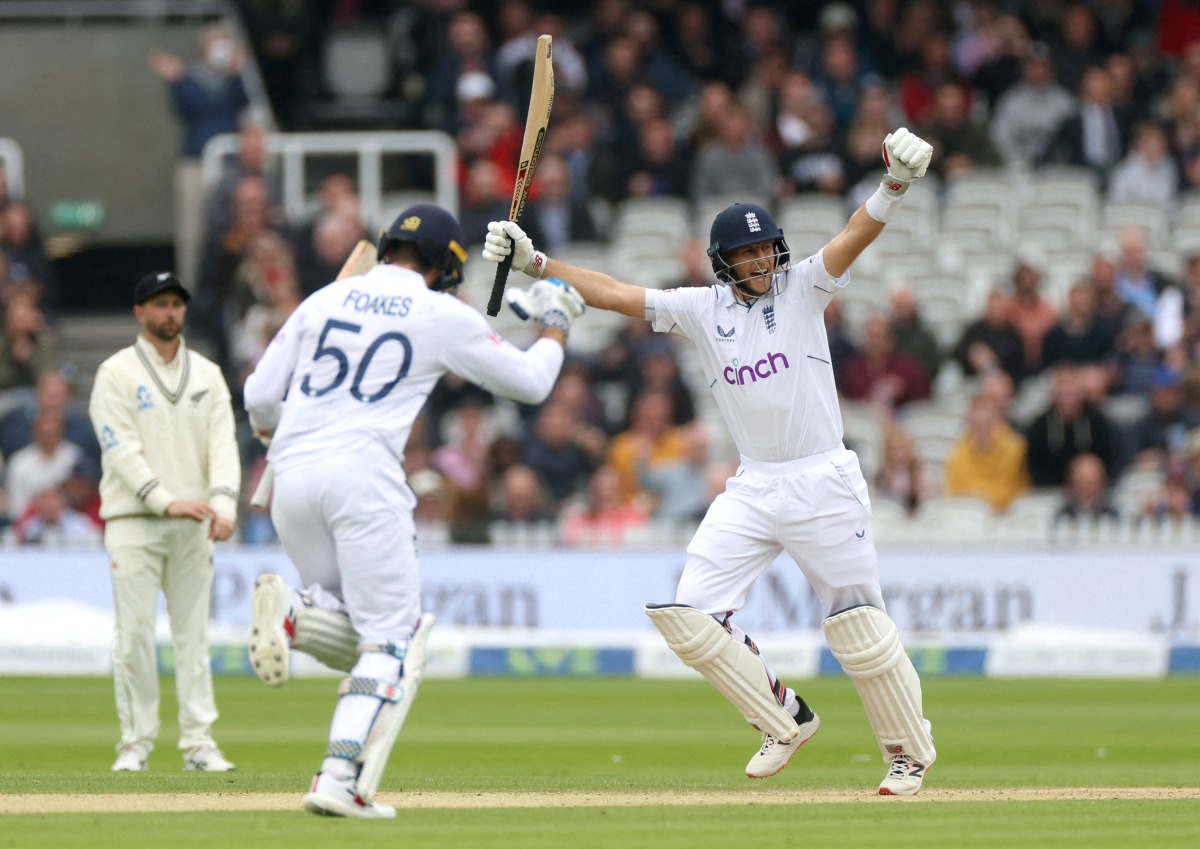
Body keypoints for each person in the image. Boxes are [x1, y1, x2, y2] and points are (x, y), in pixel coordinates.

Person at [483, 127, 938, 796]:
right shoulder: (702, 309)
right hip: (754, 484)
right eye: (746, 254)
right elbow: (611, 290)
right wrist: (538, 264)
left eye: (765, 249)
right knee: (691, 616)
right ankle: (784, 718)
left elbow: (851, 235)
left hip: (823, 479)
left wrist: (893, 186)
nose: (760, 262)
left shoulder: (804, 288)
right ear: (723, 261)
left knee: (859, 628)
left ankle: (907, 753)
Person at [241, 204, 583, 818]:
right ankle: (337, 776)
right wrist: (555, 326)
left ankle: (297, 618)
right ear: (447, 268)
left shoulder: (324, 300)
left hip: (289, 475)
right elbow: (531, 384)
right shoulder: (441, 312)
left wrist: (271, 435)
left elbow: (260, 395)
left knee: (363, 636)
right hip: (363, 479)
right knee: (394, 640)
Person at [87, 271, 241, 774]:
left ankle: (199, 744)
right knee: (132, 635)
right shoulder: (115, 373)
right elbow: (119, 447)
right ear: (140, 313)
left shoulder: (208, 374)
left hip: (195, 521)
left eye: (176, 304)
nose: (169, 313)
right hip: (133, 521)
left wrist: (224, 505)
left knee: (193, 636)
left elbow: (222, 446)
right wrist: (164, 500)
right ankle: (135, 744)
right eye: (159, 305)